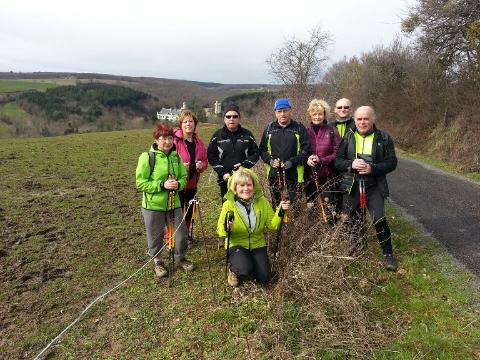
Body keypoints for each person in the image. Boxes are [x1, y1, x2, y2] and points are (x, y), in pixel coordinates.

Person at [334, 106, 398, 271]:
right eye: (359, 119)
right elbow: (338, 161)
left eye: (366, 119)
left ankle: (388, 254)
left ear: (373, 119)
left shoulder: (383, 138)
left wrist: (372, 168)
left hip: (374, 186)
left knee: (379, 219)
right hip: (352, 185)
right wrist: (350, 164)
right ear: (354, 120)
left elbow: (392, 162)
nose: (363, 122)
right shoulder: (348, 136)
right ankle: (356, 249)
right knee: (351, 219)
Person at [136, 123, 195, 278]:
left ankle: (180, 258)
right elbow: (140, 183)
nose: (168, 142)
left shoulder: (176, 157)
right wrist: (162, 185)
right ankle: (158, 262)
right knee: (155, 236)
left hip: (173, 203)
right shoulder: (148, 157)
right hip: (153, 206)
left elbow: (183, 177)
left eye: (170, 138)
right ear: (156, 139)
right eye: (163, 138)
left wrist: (179, 184)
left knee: (181, 234)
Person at [216, 167, 290, 287]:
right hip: (237, 244)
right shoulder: (228, 205)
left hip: (257, 244)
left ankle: (251, 265)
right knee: (244, 269)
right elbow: (220, 231)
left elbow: (273, 225)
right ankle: (234, 270)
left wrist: (281, 211)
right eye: (241, 185)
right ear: (235, 188)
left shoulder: (262, 202)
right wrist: (226, 227)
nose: (246, 188)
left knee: (264, 278)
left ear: (254, 187)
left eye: (249, 185)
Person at [259, 98, 310, 206]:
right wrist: (270, 161)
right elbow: (262, 150)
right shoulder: (269, 129)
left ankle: (295, 223)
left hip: (295, 175)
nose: (283, 114)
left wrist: (292, 162)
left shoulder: (299, 128)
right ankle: (279, 223)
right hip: (274, 174)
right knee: (277, 206)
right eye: (279, 111)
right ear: (275, 113)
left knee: (296, 207)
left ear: (290, 111)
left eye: (285, 110)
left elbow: (306, 151)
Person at [207, 102, 259, 199]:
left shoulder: (248, 134)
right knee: (228, 209)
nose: (231, 119)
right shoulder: (217, 136)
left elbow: (256, 154)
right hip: (225, 179)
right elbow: (211, 156)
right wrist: (222, 173)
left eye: (235, 116)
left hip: (244, 180)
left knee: (244, 209)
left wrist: (243, 166)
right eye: (228, 116)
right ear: (224, 119)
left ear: (239, 119)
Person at [173, 110, 208, 240]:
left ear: (195, 124)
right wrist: (181, 167)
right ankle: (173, 238)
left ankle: (186, 235)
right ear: (180, 124)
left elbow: (205, 161)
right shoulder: (174, 141)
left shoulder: (198, 142)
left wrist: (201, 166)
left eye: (191, 121)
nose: (188, 124)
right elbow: (167, 162)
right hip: (178, 184)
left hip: (192, 183)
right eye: (185, 121)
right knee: (176, 213)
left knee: (189, 212)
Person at [304, 99, 341, 216]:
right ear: (310, 115)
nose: (317, 117)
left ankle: (331, 231)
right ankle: (315, 233)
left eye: (320, 114)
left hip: (327, 175)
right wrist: (307, 159)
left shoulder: (332, 131)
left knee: (329, 207)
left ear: (325, 115)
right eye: (314, 114)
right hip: (310, 175)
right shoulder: (305, 132)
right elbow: (301, 151)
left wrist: (322, 160)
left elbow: (338, 153)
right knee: (311, 207)